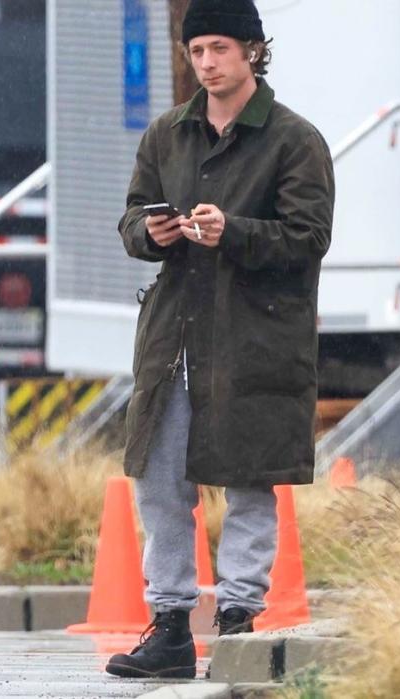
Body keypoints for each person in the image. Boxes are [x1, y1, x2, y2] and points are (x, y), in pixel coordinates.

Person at [104, 0, 336, 680]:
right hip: (174, 334)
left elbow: (309, 236)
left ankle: (238, 623)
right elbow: (129, 221)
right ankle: (171, 625)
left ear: (253, 52)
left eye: (220, 49)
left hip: (254, 338)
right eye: (197, 49)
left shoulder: (294, 140)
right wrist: (154, 233)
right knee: (159, 479)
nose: (206, 62)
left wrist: (231, 230)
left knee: (249, 478)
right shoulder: (166, 136)